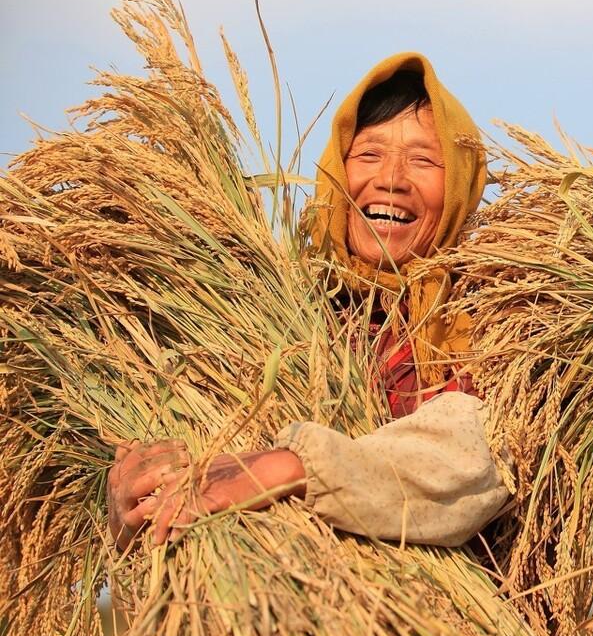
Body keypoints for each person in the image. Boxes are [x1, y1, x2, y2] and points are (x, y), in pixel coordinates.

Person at [107, 54, 509, 549]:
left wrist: (292, 465)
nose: (391, 179)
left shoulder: (490, 321)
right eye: (367, 155)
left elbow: (477, 454)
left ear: (462, 185)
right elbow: (184, 492)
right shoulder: (270, 311)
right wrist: (130, 509)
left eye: (424, 160)